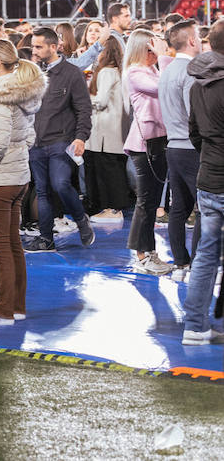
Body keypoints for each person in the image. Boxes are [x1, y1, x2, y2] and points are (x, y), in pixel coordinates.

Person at [0, 39, 43, 325]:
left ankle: (1, 309)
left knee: (0, 246)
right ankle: (16, 306)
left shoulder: (1, 96)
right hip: (18, 177)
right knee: (12, 245)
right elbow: (29, 137)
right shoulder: (23, 94)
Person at [26, 27, 95, 252]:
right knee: (43, 191)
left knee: (60, 184)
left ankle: (80, 219)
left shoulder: (71, 73)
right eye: (33, 46)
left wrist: (81, 137)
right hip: (35, 143)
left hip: (61, 141)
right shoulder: (32, 73)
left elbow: (84, 109)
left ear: (53, 47)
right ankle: (46, 239)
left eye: (38, 47)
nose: (34, 51)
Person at [183, 21, 224, 344]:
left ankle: (195, 325)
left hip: (208, 178)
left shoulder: (198, 85)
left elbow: (195, 133)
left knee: (206, 256)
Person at [123, 30, 173, 274]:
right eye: (151, 49)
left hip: (157, 142)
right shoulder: (135, 72)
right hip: (144, 145)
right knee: (146, 202)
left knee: (151, 202)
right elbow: (166, 87)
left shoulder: (152, 70)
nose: (155, 53)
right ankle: (143, 255)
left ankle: (148, 252)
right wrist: (165, 57)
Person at [159, 20, 201, 277]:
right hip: (191, 148)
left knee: (179, 209)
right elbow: (195, 116)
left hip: (173, 146)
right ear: (192, 40)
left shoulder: (168, 70)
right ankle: (198, 264)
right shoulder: (189, 72)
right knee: (204, 208)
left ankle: (180, 262)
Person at [86, 36, 133, 222]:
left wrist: (84, 99)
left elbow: (101, 101)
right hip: (117, 131)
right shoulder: (120, 71)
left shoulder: (106, 72)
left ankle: (112, 210)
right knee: (116, 171)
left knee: (108, 173)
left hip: (105, 132)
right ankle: (114, 209)